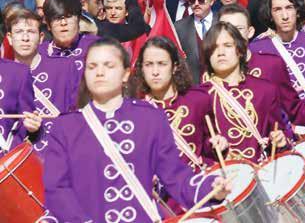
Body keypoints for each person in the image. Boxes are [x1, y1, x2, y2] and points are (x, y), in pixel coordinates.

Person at [41, 38, 231, 222]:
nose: (99, 72)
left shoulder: (150, 119)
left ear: (125, 74)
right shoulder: (65, 128)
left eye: (109, 65)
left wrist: (210, 188)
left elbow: (175, 176)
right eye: (92, 67)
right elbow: (57, 189)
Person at [199, 22, 289, 163]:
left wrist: (279, 141)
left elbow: (277, 134)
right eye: (214, 47)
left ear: (240, 50)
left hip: (261, 173)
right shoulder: (199, 97)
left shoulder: (266, 90)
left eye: (227, 46)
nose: (220, 52)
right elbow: (197, 149)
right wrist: (212, 146)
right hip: (222, 178)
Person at [130, 36, 224, 170]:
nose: (155, 72)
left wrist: (219, 144)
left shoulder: (198, 100)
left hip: (198, 183)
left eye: (162, 64)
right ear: (142, 68)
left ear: (174, 67)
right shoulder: (135, 111)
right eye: (149, 64)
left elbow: (210, 145)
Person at [7, 8, 80, 152]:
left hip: (60, 152)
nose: (25, 38)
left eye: (31, 32)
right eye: (19, 32)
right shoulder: (4, 75)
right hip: (19, 162)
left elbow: (79, 111)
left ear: (41, 37)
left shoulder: (65, 67)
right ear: (9, 38)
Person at [39, 0, 100, 73]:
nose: (63, 23)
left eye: (68, 16)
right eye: (57, 18)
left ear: (78, 20)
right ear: (48, 24)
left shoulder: (97, 46)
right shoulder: (39, 54)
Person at [174, 0, 218, 84]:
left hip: (219, 84)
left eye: (201, 0)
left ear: (211, 1)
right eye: (192, 0)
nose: (196, 4)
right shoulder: (179, 27)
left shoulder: (222, 21)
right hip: (193, 86)